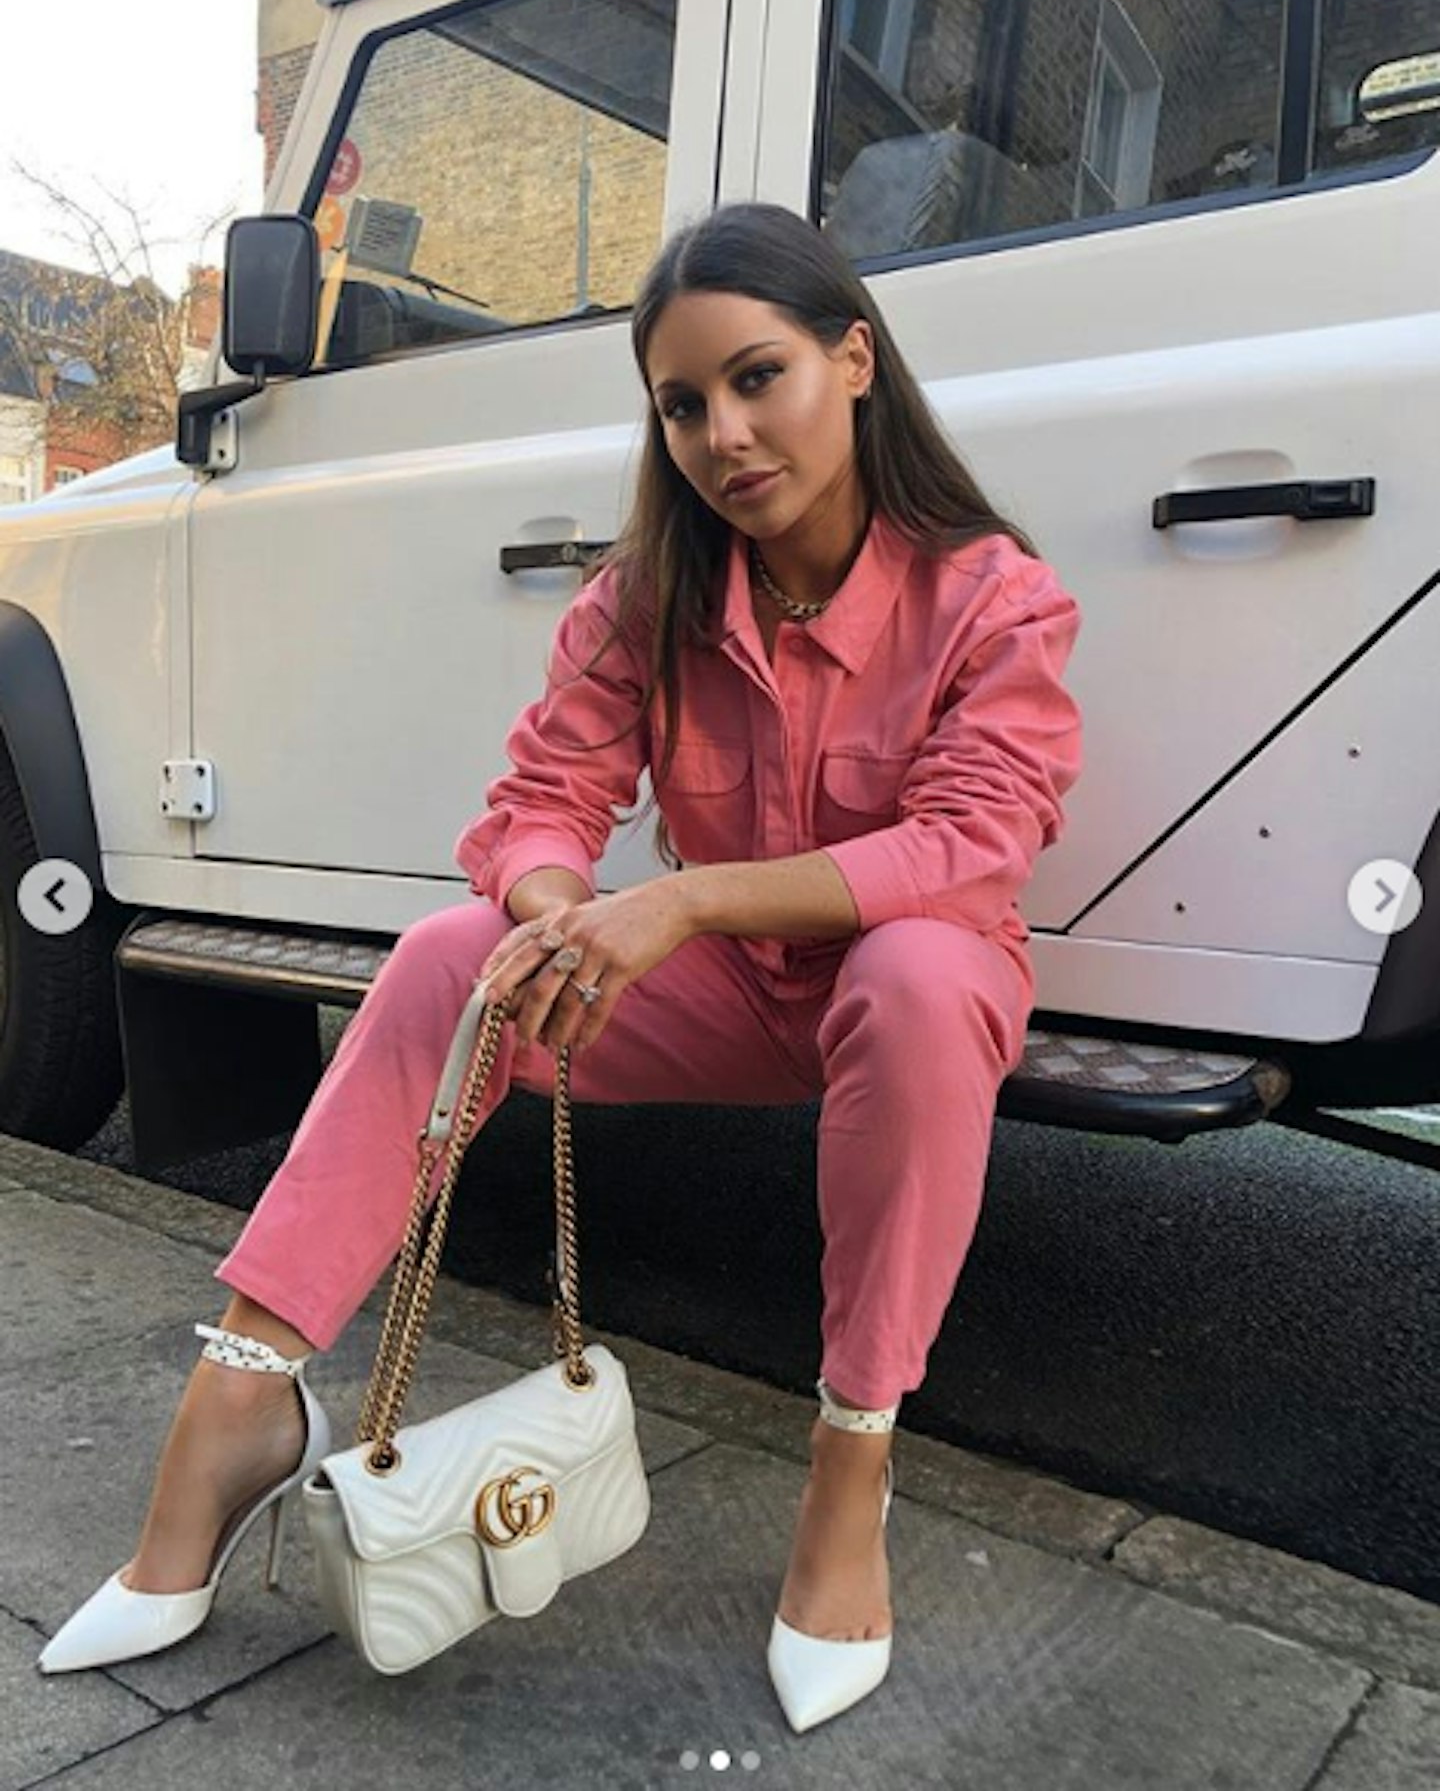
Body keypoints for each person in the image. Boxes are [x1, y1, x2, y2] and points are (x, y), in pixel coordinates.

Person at [39, 201, 1083, 1732]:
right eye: (683, 404)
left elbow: (972, 844)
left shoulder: (991, 594)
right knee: (453, 959)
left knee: (919, 978)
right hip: (726, 994)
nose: (723, 435)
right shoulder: (650, 597)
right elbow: (544, 799)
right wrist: (554, 910)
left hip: (906, 986)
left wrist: (685, 902)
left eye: (759, 377)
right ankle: (237, 1404)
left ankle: (849, 1465)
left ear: (854, 360)